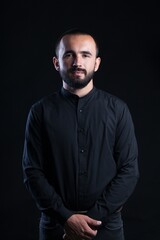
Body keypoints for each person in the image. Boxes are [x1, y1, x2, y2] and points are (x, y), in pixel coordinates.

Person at [22, 28, 139, 240]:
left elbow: (129, 171)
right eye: (69, 54)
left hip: (106, 228)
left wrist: (90, 220)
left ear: (96, 63)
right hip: (56, 227)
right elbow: (32, 172)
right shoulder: (40, 112)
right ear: (57, 63)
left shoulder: (118, 110)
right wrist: (66, 218)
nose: (77, 62)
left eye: (85, 55)